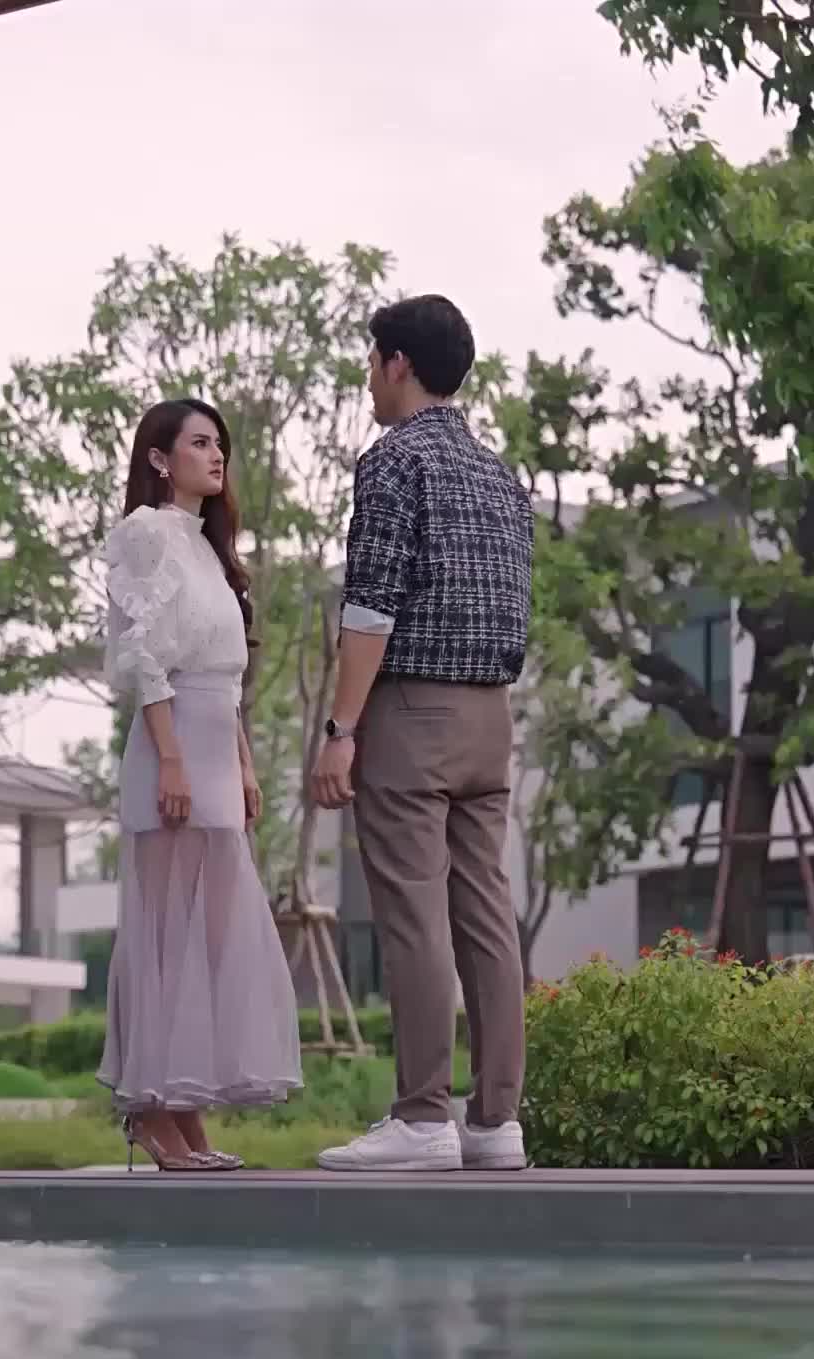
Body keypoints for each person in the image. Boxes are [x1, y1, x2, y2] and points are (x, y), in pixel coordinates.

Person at [312, 296, 532, 1173]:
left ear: (399, 363)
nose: (370, 378)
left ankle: (421, 1117)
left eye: (373, 361)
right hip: (492, 717)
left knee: (412, 915)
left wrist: (341, 728)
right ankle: (496, 1122)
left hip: (413, 711)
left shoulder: (394, 462)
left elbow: (370, 608)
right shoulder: (500, 475)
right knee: (486, 917)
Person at [97, 398, 302, 1169]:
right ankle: (150, 1111)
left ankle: (182, 1109)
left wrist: (243, 763)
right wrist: (173, 758)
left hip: (217, 750)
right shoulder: (146, 533)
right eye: (199, 443)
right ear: (159, 458)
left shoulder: (210, 548)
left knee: (208, 940)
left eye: (221, 445)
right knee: (163, 936)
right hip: (171, 750)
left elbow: (225, 675)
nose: (217, 456)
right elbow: (145, 657)